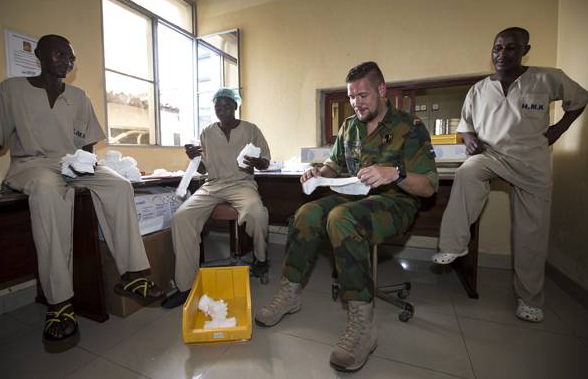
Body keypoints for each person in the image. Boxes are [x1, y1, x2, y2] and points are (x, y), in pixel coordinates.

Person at [0, 34, 167, 346]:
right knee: (47, 190)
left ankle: (133, 274)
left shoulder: (79, 96)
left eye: (71, 57)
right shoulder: (11, 90)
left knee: (118, 185)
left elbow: (86, 144)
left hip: (73, 164)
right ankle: (59, 302)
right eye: (59, 54)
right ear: (39, 54)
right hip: (32, 164)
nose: (67, 61)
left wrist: (82, 164)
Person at [254, 62, 438, 372]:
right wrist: (318, 172)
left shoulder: (410, 127)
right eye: (351, 97)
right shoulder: (350, 126)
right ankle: (290, 293)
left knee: (341, 218)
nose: (356, 103)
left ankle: (363, 327)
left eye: (362, 95)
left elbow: (429, 186)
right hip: (353, 197)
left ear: (382, 90)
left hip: (396, 202)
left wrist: (394, 173)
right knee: (306, 213)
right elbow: (334, 166)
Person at [432, 27, 587, 322]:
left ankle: (530, 300)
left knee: (531, 234)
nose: (502, 54)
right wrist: (469, 140)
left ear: (525, 50)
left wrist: (559, 129)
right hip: (491, 155)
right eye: (497, 48)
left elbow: (579, 99)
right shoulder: (479, 90)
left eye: (511, 48)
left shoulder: (547, 78)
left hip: (531, 162)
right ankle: (454, 244)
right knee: (468, 172)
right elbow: (465, 126)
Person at [161, 87, 272, 309]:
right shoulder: (207, 132)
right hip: (213, 185)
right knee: (181, 218)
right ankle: (186, 286)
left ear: (235, 106)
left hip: (241, 183)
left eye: (226, 106)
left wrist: (256, 162)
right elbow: (203, 168)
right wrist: (193, 158)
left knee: (257, 213)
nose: (222, 110)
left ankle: (261, 259)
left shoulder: (251, 129)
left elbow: (266, 162)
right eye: (217, 107)